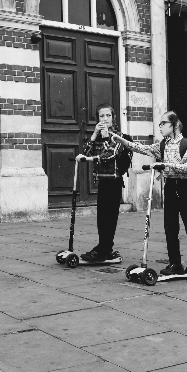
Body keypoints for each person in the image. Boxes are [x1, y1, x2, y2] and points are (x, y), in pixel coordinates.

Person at [110, 111, 187, 282]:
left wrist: (165, 164)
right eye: (160, 124)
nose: (160, 127)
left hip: (185, 187)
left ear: (175, 125)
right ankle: (175, 264)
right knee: (170, 227)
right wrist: (124, 142)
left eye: (164, 123)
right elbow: (144, 148)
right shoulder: (162, 145)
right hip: (170, 185)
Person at [75, 103, 133, 264]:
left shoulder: (119, 136)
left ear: (113, 117)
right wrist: (94, 135)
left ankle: (104, 249)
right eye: (101, 116)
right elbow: (84, 153)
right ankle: (104, 248)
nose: (105, 119)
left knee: (110, 217)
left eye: (108, 115)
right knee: (101, 218)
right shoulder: (97, 137)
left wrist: (106, 136)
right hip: (102, 181)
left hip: (114, 181)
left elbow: (110, 154)